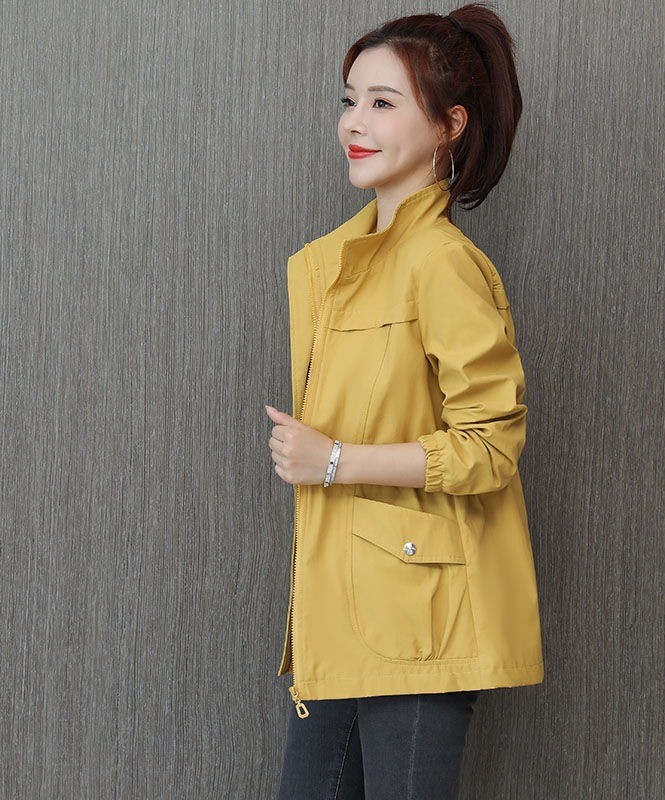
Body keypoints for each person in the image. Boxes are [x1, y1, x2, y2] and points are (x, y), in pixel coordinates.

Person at [266, 4, 543, 798]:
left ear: (449, 125)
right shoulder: (339, 266)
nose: (355, 122)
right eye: (350, 99)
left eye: (384, 102)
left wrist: (334, 460)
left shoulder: (441, 264)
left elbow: (490, 447)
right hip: (338, 609)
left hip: (418, 620)